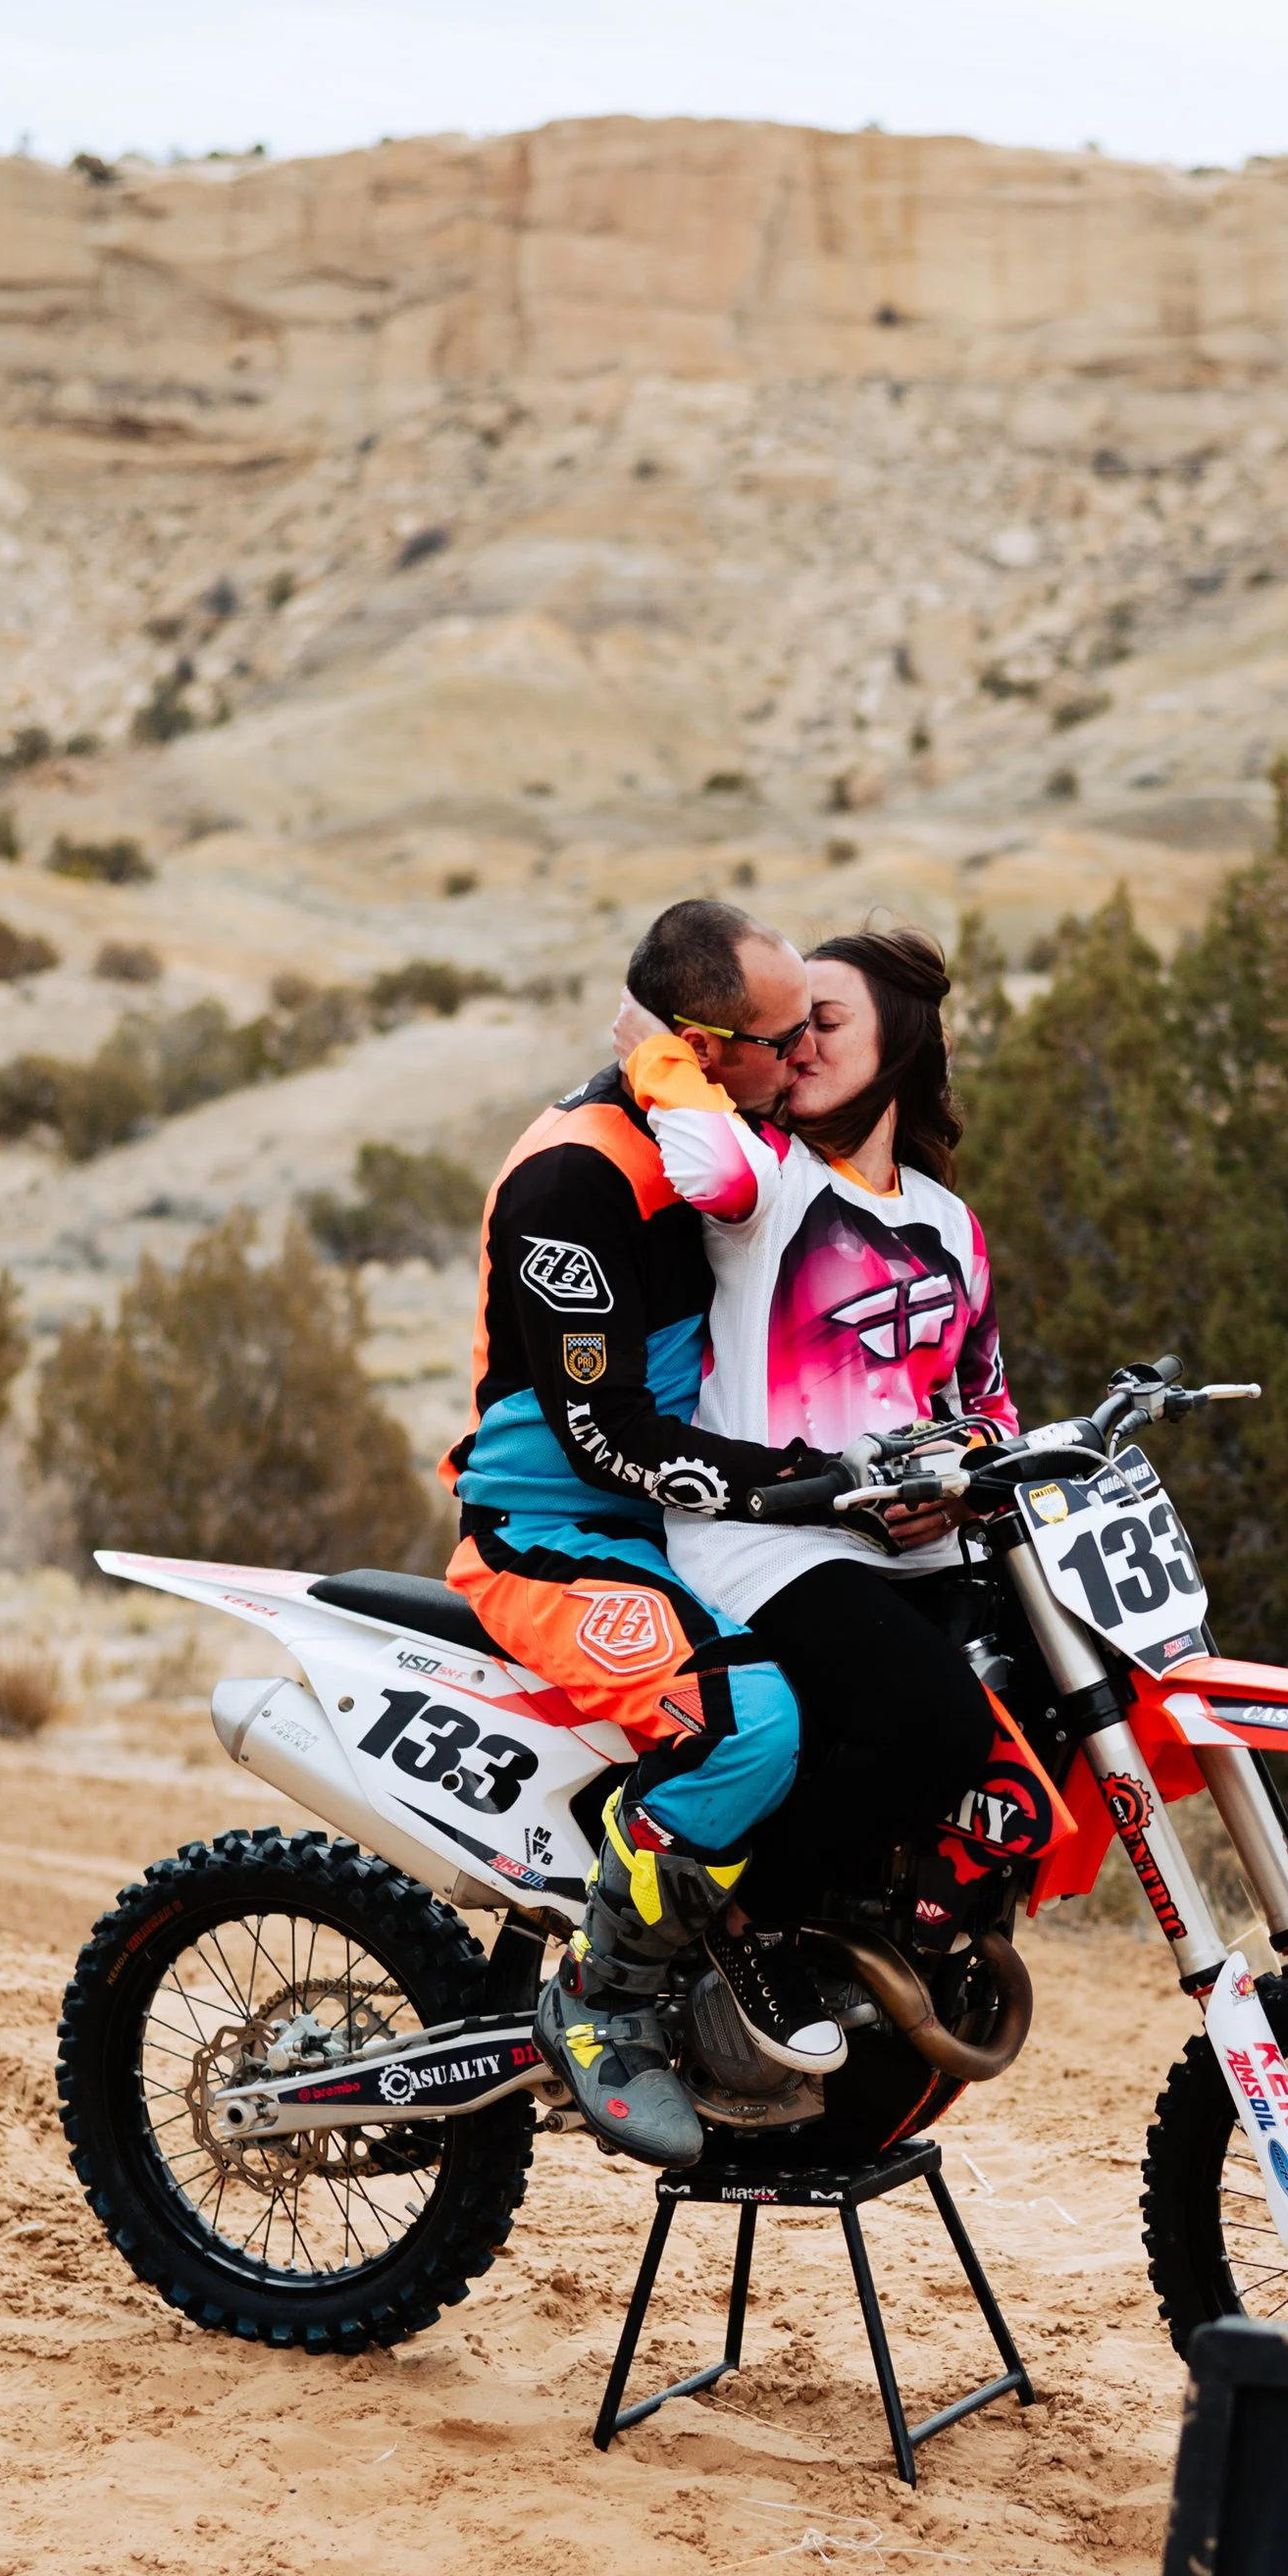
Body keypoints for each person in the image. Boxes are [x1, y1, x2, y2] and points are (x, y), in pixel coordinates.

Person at [440, 898, 845, 2167]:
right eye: (784, 1038)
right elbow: (603, 1436)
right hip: (555, 1529)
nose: (805, 1058)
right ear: (707, 1045)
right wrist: (800, 1483)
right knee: (750, 1719)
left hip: (683, 1519)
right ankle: (606, 1999)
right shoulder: (579, 1176)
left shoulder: (724, 1145)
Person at [616, 922, 1059, 1966]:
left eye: (824, 1022)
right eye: (784, 1030)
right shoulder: (767, 1181)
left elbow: (988, 1406)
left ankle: (895, 1920)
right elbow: (703, 1152)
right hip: (769, 1537)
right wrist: (656, 1044)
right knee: (936, 1726)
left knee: (1054, 1681)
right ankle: (739, 1935)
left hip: (904, 1548)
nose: (797, 1047)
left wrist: (956, 1496)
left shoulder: (951, 1223)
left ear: (901, 1040)